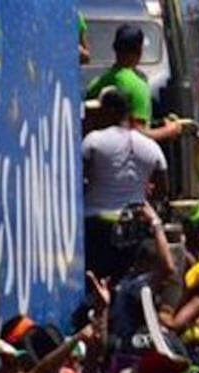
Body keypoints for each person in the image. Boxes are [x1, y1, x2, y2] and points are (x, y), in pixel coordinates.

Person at [81, 87, 168, 281]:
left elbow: (80, 179)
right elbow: (162, 188)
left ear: (111, 111)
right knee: (126, 279)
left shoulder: (93, 141)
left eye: (100, 110)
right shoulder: (151, 147)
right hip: (134, 226)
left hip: (95, 223)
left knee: (95, 279)